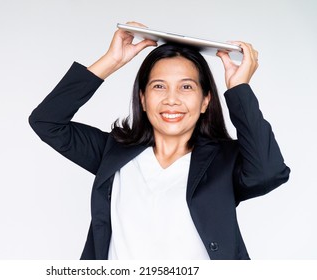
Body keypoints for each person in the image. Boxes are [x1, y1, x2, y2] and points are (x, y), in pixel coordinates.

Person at [29, 22, 290, 260]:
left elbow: (268, 174)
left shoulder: (224, 161)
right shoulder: (113, 153)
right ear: (142, 99)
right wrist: (111, 61)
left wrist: (238, 88)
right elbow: (47, 122)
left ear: (205, 101)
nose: (171, 99)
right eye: (159, 86)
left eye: (186, 87)